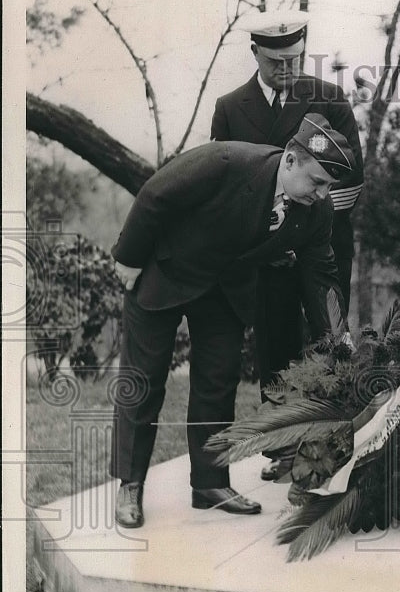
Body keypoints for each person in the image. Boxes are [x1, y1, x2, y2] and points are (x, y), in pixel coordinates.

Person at [110, 114, 354, 528]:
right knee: (144, 380)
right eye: (317, 182)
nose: (323, 193)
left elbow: (322, 276)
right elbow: (155, 194)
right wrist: (129, 258)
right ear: (290, 161)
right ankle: (129, 486)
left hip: (224, 291)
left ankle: (210, 484)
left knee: (216, 383)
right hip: (165, 269)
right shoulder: (227, 160)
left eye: (329, 185)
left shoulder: (316, 210)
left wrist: (337, 338)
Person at [211, 10, 364, 479]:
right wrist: (270, 233)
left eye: (295, 59)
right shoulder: (230, 107)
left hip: (324, 248)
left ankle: (329, 440)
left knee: (328, 337)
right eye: (277, 62)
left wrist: (303, 225)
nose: (288, 69)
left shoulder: (330, 99)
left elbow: (349, 182)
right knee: (275, 346)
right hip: (266, 256)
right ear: (255, 53)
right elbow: (227, 182)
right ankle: (280, 448)